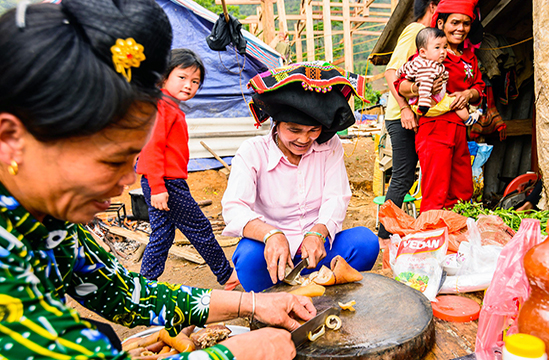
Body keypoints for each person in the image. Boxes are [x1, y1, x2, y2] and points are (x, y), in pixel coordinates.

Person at [0, 1, 314, 359]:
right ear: (11, 139)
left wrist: (253, 304)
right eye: (111, 160)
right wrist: (233, 354)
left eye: (132, 158)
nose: (126, 180)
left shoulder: (51, 218)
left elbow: (127, 294)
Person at [221, 62, 380, 293]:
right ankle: (274, 302)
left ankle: (322, 288)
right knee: (247, 258)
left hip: (317, 252)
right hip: (273, 254)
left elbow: (336, 197)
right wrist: (272, 234)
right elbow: (234, 209)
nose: (304, 140)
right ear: (276, 124)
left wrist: (318, 232)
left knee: (366, 243)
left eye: (313, 130)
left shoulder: (329, 145)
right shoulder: (252, 151)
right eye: (294, 130)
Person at [136, 48, 239, 290]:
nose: (189, 85)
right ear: (164, 76)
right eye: (182, 77)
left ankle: (143, 285)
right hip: (166, 183)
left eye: (195, 81)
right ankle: (226, 274)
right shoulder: (160, 107)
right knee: (199, 227)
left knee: (162, 236)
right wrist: (158, 187)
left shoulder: (168, 107)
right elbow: (151, 148)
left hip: (164, 181)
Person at [397, 0, 485, 211]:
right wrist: (419, 89)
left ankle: (457, 236)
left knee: (463, 189)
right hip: (435, 128)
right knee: (436, 191)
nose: (460, 28)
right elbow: (400, 83)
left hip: (459, 130)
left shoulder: (469, 58)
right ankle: (432, 237)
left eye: (466, 23)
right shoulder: (432, 52)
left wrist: (468, 93)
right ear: (441, 23)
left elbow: (479, 87)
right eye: (455, 22)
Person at [377, 0, 439, 243]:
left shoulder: (430, 37)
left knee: (407, 174)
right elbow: (391, 72)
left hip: (410, 114)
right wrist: (404, 108)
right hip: (399, 115)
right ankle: (384, 233)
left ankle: (390, 229)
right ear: (432, 6)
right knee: (403, 174)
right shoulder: (414, 31)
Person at [397, 27, 482, 124]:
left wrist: (469, 93)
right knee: (456, 103)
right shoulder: (426, 64)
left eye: (445, 47)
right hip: (430, 109)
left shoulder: (417, 62)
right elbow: (402, 84)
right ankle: (468, 119)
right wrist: (423, 90)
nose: (442, 51)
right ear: (423, 52)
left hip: (419, 107)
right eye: (437, 47)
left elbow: (403, 69)